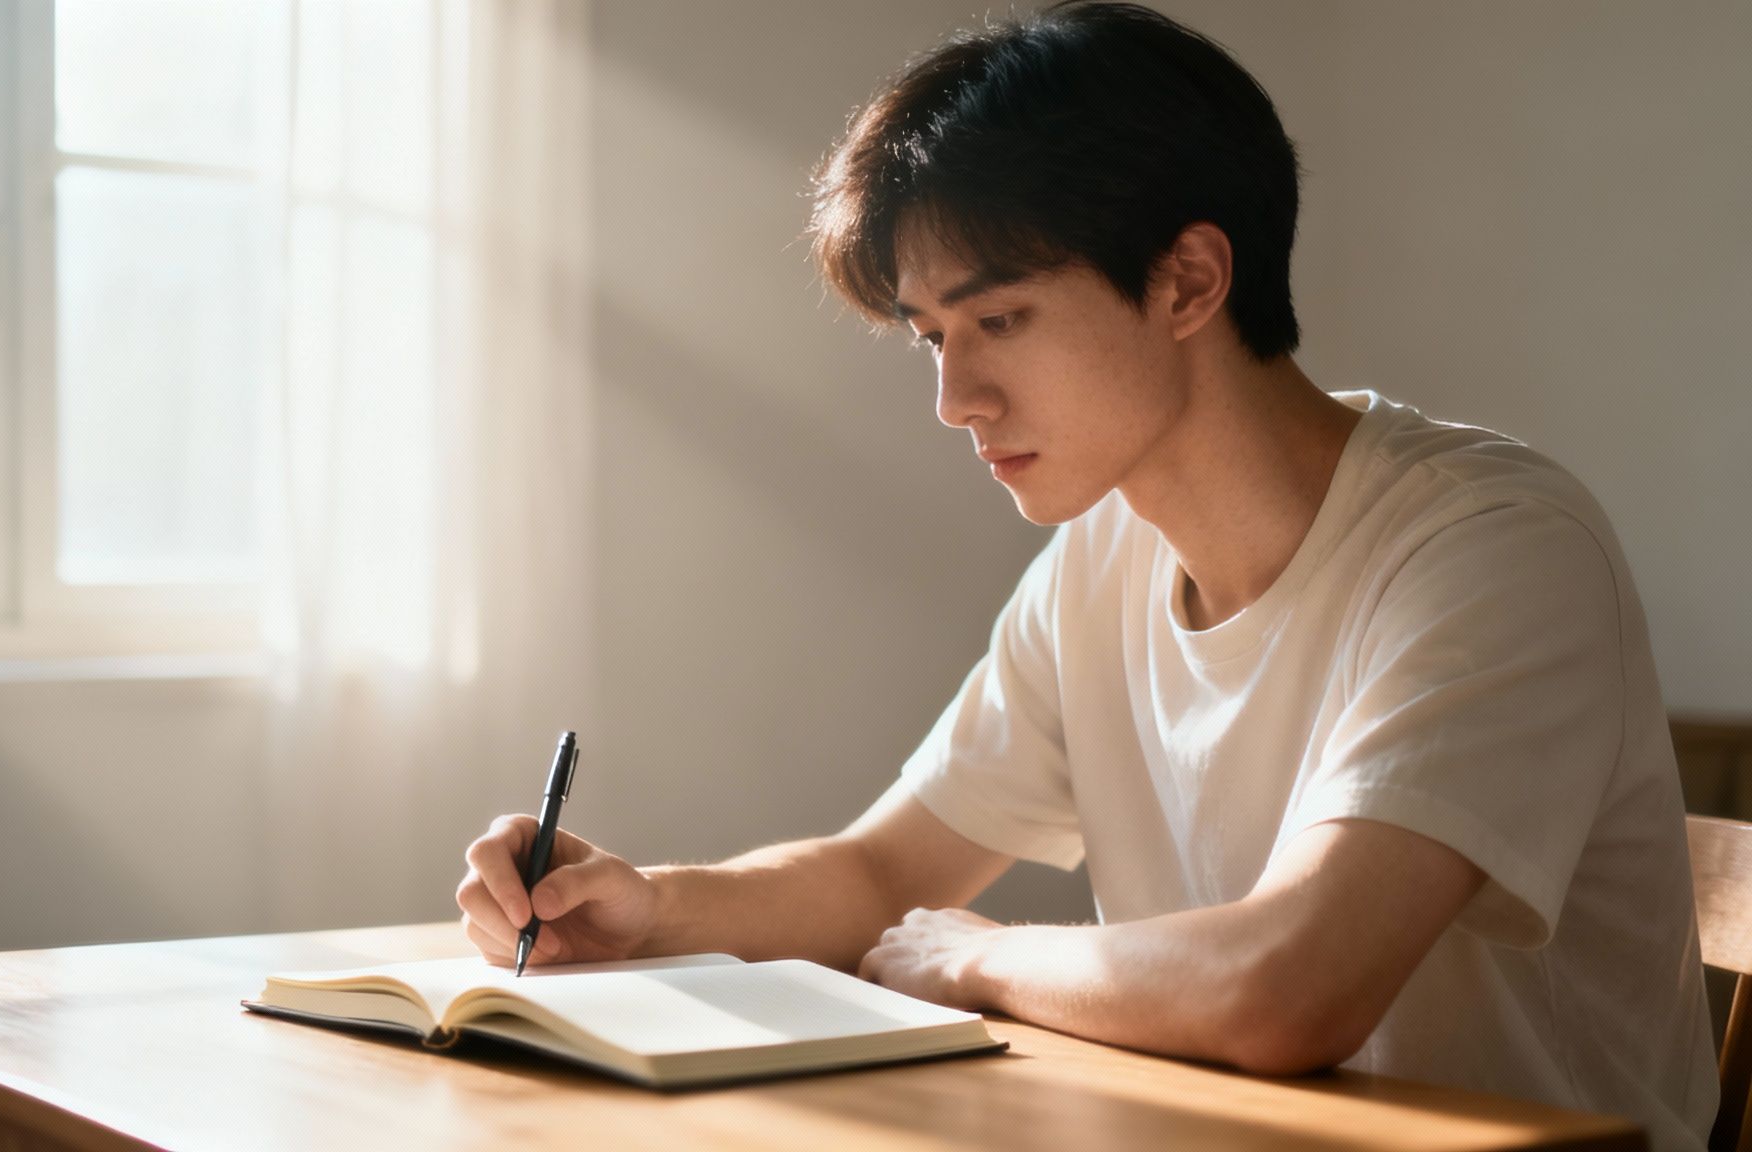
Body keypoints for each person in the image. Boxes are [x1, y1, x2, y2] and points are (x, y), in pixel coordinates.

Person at [454, 3, 1716, 1146]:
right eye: (930, 338)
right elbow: (884, 878)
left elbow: (1285, 990)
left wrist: (986, 962)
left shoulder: (1488, 548)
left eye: (998, 320)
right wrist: (643, 906)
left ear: (1187, 282)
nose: (953, 399)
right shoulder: (1102, 557)